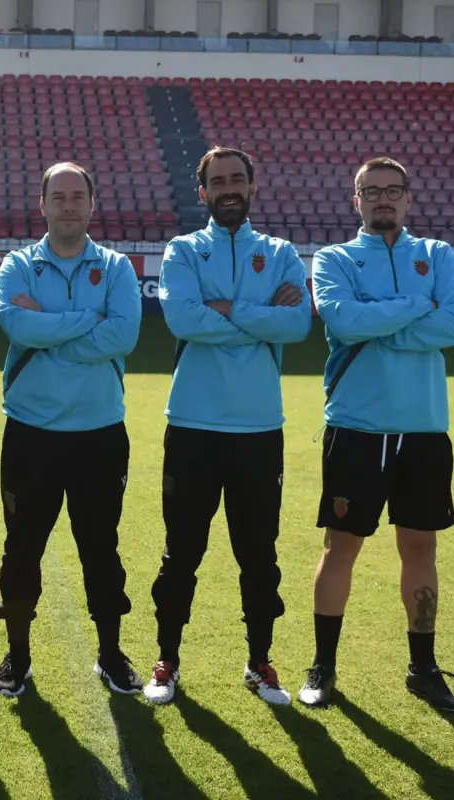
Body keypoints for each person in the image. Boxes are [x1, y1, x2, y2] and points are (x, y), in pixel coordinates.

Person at [302, 156, 454, 713]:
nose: (381, 199)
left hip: (424, 429)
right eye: (370, 191)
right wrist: (413, 310)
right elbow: (345, 322)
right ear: (355, 201)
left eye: (391, 191)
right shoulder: (335, 259)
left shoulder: (437, 254)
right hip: (357, 426)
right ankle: (323, 666)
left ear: (408, 198)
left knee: (421, 547)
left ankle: (423, 668)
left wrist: (383, 321)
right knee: (342, 546)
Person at [145, 147, 313, 706]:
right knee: (181, 553)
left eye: (238, 178)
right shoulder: (184, 250)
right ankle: (166, 658)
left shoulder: (281, 252)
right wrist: (258, 314)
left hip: (260, 428)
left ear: (252, 186)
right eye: (218, 182)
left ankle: (260, 660)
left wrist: (225, 308)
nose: (229, 189)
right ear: (203, 193)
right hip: (192, 425)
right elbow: (182, 317)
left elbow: (296, 325)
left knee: (259, 555)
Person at [0, 162, 142, 697]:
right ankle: (18, 656)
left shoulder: (117, 266)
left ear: (92, 204)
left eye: (78, 196)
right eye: (59, 196)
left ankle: (110, 652)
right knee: (22, 547)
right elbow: (15, 323)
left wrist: (49, 326)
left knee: (101, 547)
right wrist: (87, 320)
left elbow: (123, 336)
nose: (69, 205)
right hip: (31, 433)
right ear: (43, 203)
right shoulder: (18, 265)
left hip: (100, 434)